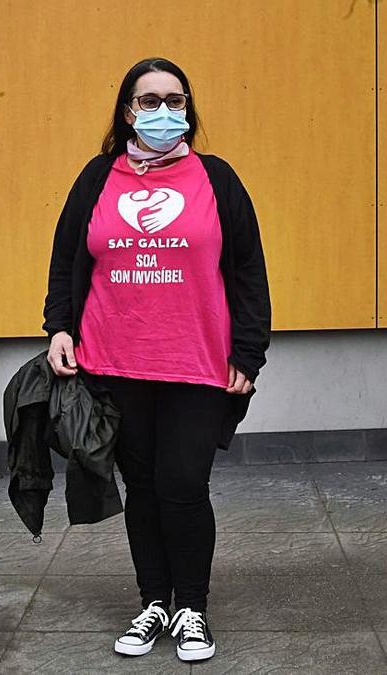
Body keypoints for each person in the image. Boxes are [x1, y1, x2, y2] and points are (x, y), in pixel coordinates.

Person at [43, 57, 271, 663]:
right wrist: (59, 327)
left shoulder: (216, 179)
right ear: (127, 112)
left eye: (176, 99)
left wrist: (250, 351)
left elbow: (249, 270)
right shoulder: (97, 178)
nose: (164, 111)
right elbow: (68, 256)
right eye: (149, 100)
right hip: (114, 361)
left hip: (198, 364)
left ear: (189, 110)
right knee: (141, 487)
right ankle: (154, 602)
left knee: (184, 486)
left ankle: (191, 607)